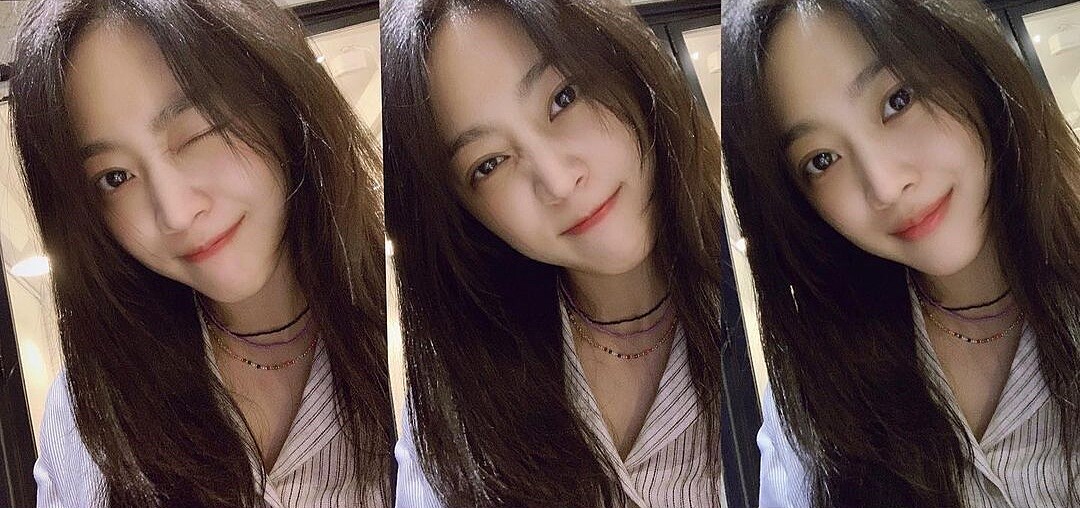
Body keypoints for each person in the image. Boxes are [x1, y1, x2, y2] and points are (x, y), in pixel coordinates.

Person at [10, 0, 392, 505]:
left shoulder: (427, 340)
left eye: (199, 131)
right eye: (114, 177)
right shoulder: (90, 412)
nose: (174, 212)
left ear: (279, 99)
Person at [721, 0, 1080, 506]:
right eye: (822, 160)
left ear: (970, 64)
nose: (885, 185)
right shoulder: (816, 394)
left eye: (898, 100)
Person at [382, 0, 728, 506]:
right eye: (490, 163)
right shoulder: (458, 401)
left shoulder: (770, 321)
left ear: (626, 68)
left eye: (564, 98)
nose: (558, 181)